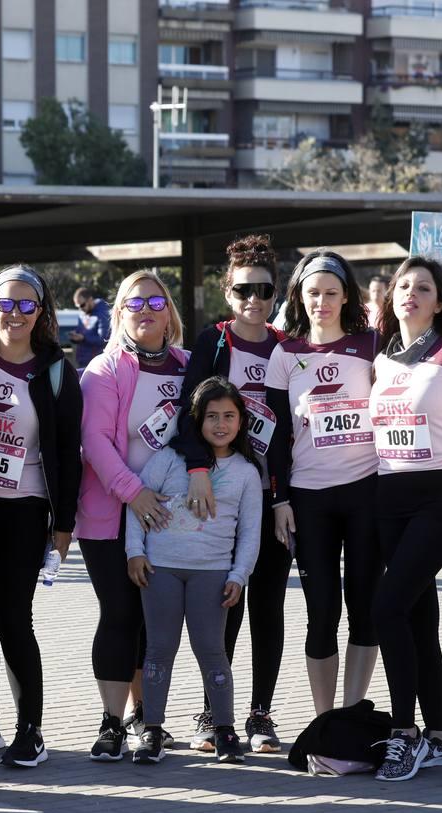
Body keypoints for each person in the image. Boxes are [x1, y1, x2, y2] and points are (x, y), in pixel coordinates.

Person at [0, 264, 83, 768]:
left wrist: (63, 528)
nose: (15, 313)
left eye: (26, 304)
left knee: (14, 618)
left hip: (25, 507)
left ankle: (30, 729)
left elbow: (68, 455)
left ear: (41, 311)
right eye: (5, 303)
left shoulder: (55, 369)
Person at [173, 233, 292, 754]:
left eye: (264, 291)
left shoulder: (288, 346)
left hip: (273, 496)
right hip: (220, 493)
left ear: (275, 295)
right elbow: (188, 412)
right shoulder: (213, 343)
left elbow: (291, 431)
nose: (254, 300)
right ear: (228, 292)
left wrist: (285, 494)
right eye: (244, 290)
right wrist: (198, 471)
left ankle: (261, 714)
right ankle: (211, 711)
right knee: (223, 604)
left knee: (268, 605)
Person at [368, 257, 442, 780]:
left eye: (424, 287)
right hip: (391, 494)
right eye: (403, 286)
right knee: (417, 617)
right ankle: (440, 735)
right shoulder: (382, 358)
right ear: (391, 298)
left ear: (440, 301)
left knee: (386, 607)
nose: (411, 293)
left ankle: (404, 733)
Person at [78, 270, 189, 761]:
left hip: (168, 518)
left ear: (169, 312)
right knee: (120, 614)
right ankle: (110, 722)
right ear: (119, 312)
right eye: (133, 302)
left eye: (155, 301)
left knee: (154, 622)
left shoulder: (190, 366)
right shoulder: (103, 371)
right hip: (112, 513)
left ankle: (148, 720)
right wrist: (134, 492)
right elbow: (94, 442)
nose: (145, 309)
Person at [265, 249, 380, 716]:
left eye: (331, 293)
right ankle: (324, 719)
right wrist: (280, 500)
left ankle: (353, 712)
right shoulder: (285, 353)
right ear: (299, 296)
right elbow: (274, 435)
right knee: (321, 612)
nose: (322, 302)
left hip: (365, 491)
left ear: (346, 295)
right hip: (309, 498)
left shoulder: (371, 344)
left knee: (364, 607)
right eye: (313, 293)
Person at [126, 377, 264, 764]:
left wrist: (239, 575)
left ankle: (225, 731)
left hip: (214, 574)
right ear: (196, 420)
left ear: (241, 422)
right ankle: (151, 730)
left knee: (212, 651)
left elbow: (250, 533)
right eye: (211, 416)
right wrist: (134, 552)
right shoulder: (169, 459)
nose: (220, 424)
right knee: (159, 650)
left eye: (230, 416)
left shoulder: (246, 473)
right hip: (160, 570)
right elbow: (136, 506)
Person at [71, 287, 112, 370]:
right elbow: (81, 331)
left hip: (96, 365)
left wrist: (83, 338)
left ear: (90, 300)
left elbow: (104, 339)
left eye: (82, 305)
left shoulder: (103, 313)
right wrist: (75, 337)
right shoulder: (83, 312)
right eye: (78, 306)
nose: (80, 308)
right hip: (82, 362)